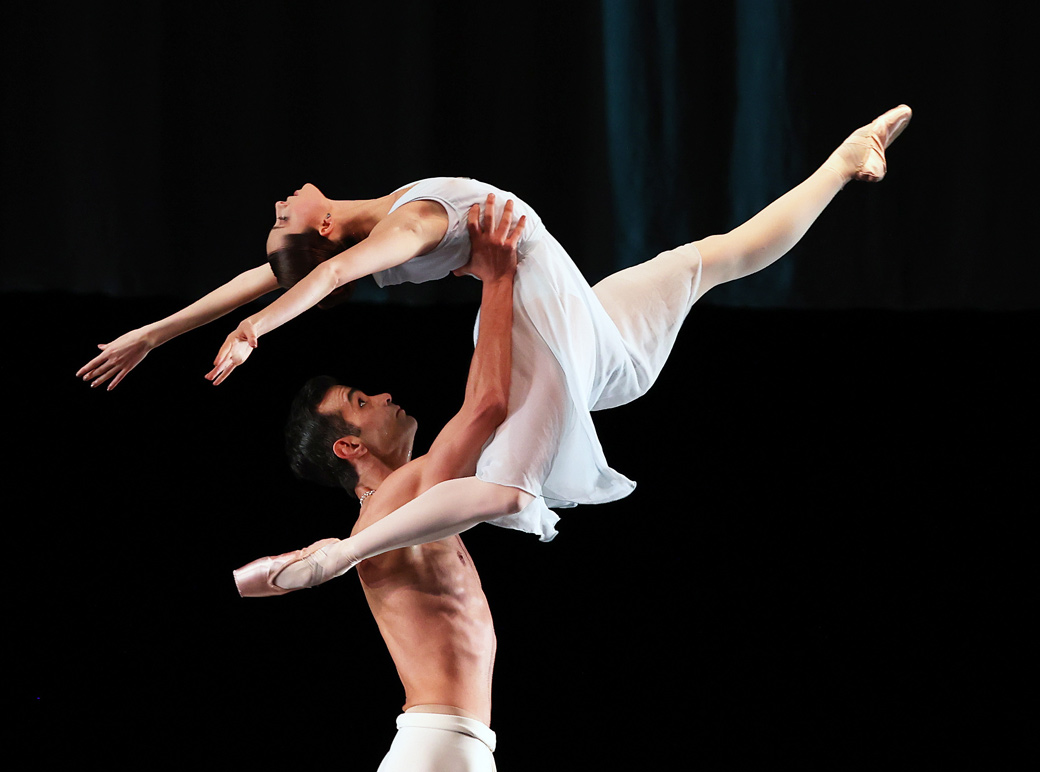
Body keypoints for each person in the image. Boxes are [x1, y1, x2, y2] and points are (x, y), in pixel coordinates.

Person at [229, 104, 913, 588]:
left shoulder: (382, 222)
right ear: (321, 228)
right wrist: (257, 329)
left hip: (589, 338)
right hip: (547, 325)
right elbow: (323, 271)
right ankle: (335, 557)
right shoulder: (393, 237)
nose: (277, 205)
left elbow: (276, 273)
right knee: (503, 491)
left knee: (709, 258)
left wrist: (158, 330)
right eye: (282, 220)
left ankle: (841, 162)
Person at [236, 195, 524, 771]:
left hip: (449, 745)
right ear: (350, 446)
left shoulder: (404, 500)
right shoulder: (395, 499)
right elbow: (487, 406)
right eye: (361, 402)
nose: (385, 396)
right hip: (441, 746)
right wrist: (498, 279)